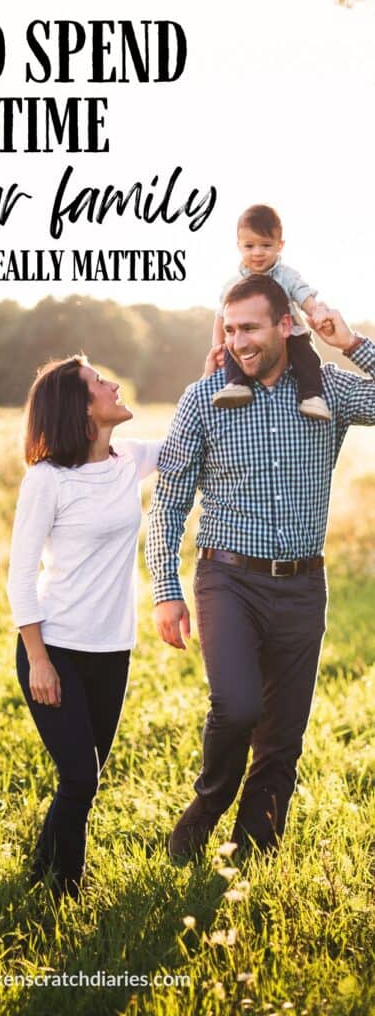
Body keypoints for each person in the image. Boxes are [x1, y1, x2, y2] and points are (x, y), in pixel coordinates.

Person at [146, 273, 374, 859]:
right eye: (230, 329)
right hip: (227, 578)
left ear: (286, 325)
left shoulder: (326, 393)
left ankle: (252, 858)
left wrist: (351, 343)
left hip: (303, 585)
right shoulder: (203, 400)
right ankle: (208, 806)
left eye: (250, 327)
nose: (238, 340)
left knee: (282, 737)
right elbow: (169, 500)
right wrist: (166, 590)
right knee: (238, 706)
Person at [7, 355, 161, 898]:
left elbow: (195, 440)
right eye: (100, 382)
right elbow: (20, 578)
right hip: (56, 648)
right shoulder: (46, 480)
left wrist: (219, 367)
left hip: (112, 648)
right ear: (81, 406)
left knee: (83, 781)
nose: (114, 383)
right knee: (80, 777)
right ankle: (63, 894)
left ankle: (40, 873)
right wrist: (40, 660)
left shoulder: (129, 460)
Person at [212, 203, 332, 421]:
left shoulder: (287, 276)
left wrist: (317, 312)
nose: (258, 253)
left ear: (280, 245)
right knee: (234, 349)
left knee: (308, 357)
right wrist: (218, 346)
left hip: (291, 334)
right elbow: (221, 317)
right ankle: (236, 384)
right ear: (239, 246)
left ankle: (311, 395)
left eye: (266, 245)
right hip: (246, 343)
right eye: (249, 246)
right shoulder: (233, 284)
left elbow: (303, 295)